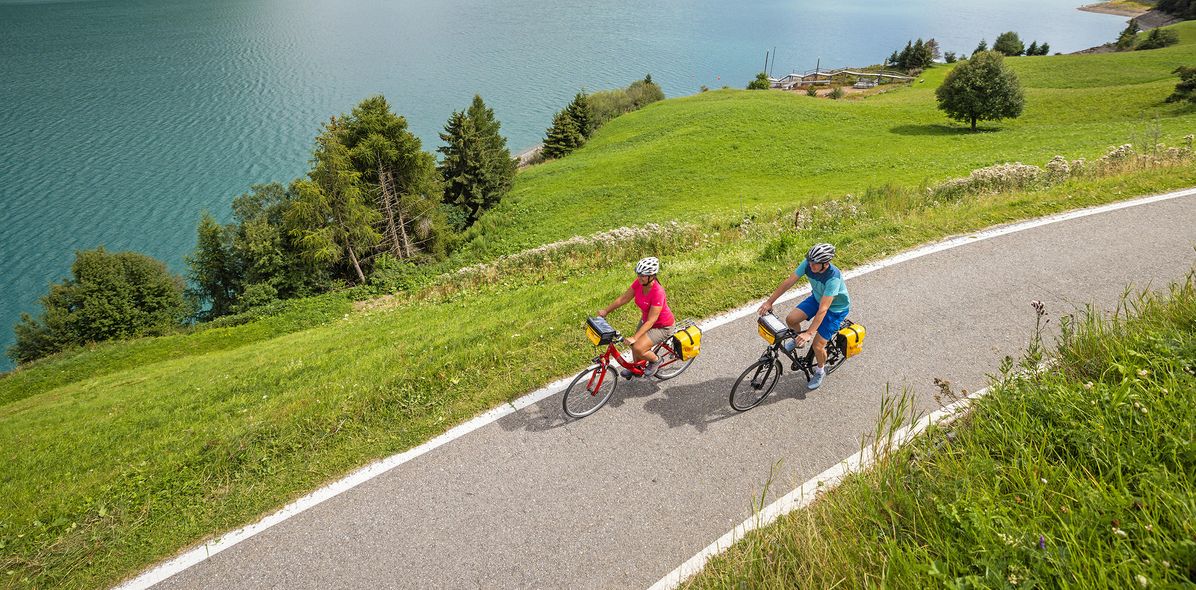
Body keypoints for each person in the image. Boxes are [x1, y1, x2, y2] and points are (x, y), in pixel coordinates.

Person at [757, 243, 850, 390]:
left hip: (835, 309)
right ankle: (798, 340)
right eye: (810, 262)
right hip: (817, 298)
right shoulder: (808, 263)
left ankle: (820, 371)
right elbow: (789, 282)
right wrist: (769, 302)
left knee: (818, 345)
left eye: (815, 264)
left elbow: (823, 309)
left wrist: (809, 333)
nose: (811, 266)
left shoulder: (833, 278)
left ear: (825, 264)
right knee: (791, 319)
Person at [597, 257, 675, 378]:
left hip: (662, 326)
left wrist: (635, 337)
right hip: (646, 321)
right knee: (634, 346)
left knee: (638, 346)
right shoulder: (639, 283)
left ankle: (656, 360)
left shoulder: (658, 292)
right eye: (638, 274)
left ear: (652, 276)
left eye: (643, 275)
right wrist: (606, 311)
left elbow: (652, 320)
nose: (639, 277)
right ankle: (636, 368)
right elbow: (624, 298)